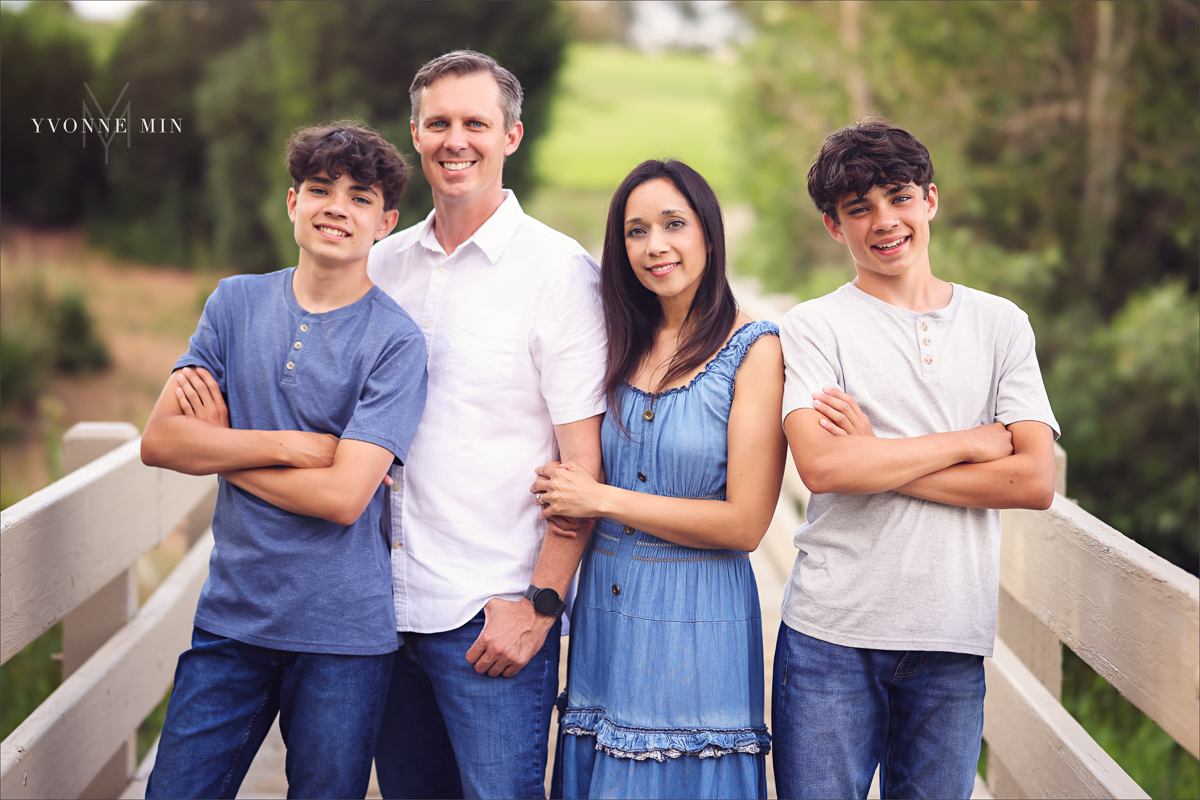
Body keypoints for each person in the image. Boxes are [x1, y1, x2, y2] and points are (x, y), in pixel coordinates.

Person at [772, 118, 1060, 799]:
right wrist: (968, 441)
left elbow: (1033, 478)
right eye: (859, 208)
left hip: (950, 637)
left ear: (930, 200)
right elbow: (827, 469)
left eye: (898, 197)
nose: (884, 221)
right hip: (830, 637)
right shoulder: (813, 327)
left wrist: (880, 456)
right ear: (833, 227)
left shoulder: (1000, 324)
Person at [139, 123, 427, 798]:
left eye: (359, 198)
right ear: (291, 202)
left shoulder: (395, 342)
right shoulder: (234, 303)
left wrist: (224, 447)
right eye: (321, 189)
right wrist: (289, 446)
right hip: (230, 619)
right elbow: (161, 442)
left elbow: (342, 498)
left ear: (385, 223)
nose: (336, 207)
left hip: (341, 638)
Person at [367, 51, 607, 799]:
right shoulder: (380, 265)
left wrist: (540, 606)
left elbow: (583, 467)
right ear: (414, 134)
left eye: (476, 122)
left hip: (488, 620)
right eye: (438, 123)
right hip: (378, 613)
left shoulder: (559, 274)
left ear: (512, 135)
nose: (455, 140)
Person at [532, 159, 786, 799]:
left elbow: (747, 524)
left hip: (700, 615)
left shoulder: (753, 350)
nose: (655, 246)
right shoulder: (616, 342)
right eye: (635, 231)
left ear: (708, 233)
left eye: (673, 224)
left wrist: (600, 498)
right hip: (607, 616)